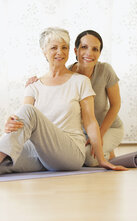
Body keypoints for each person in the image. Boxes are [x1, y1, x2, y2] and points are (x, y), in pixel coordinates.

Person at [0, 27, 127, 174]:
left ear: (69, 51)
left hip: (70, 151)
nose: (60, 52)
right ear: (44, 51)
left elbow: (91, 121)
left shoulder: (81, 81)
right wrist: (9, 122)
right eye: (54, 47)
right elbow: (23, 123)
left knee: (29, 111)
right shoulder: (33, 85)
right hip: (41, 152)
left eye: (64, 47)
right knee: (6, 159)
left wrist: (101, 160)